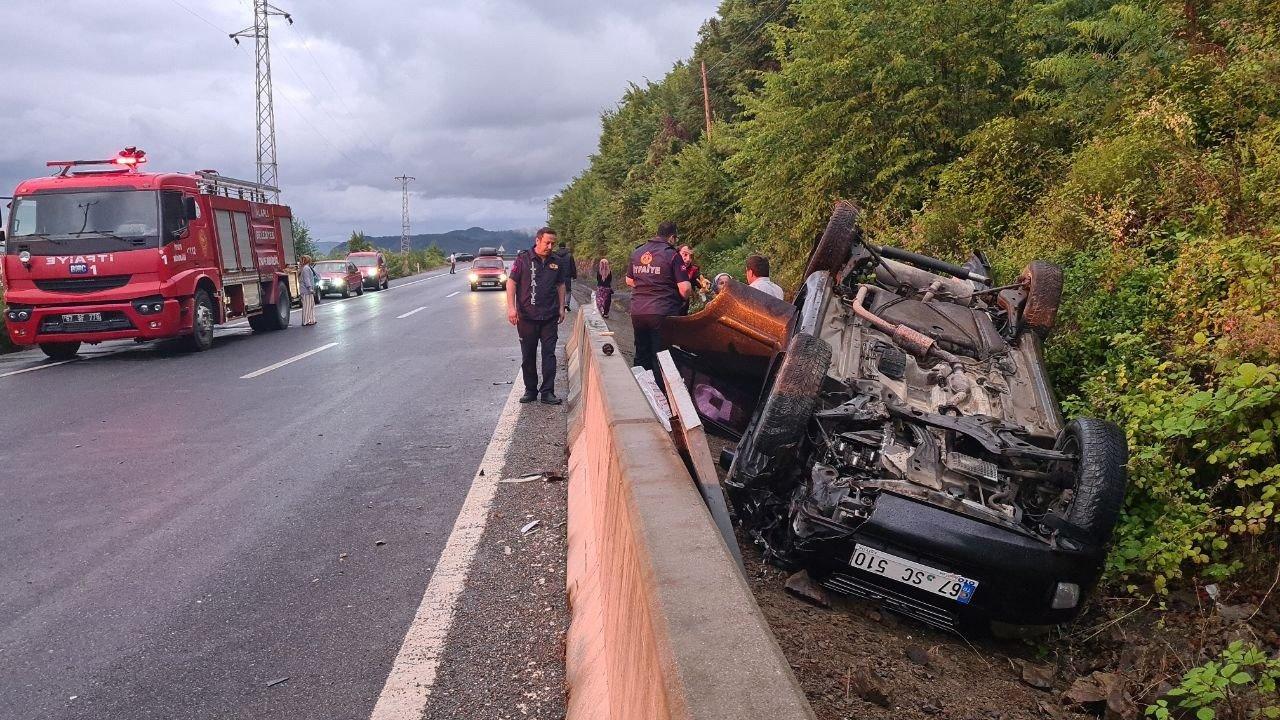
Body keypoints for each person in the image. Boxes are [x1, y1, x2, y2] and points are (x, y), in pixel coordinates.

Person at [506, 227, 568, 405]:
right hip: (526, 316)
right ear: (538, 240)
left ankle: (547, 392)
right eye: (547, 243)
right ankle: (530, 390)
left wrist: (562, 307)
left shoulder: (556, 261)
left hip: (549, 316)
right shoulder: (523, 259)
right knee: (528, 355)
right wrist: (511, 308)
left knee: (549, 354)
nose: (550, 246)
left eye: (553, 243)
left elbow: (560, 285)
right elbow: (511, 283)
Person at [626, 220, 690, 371]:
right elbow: (685, 288)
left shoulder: (638, 252)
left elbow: (629, 280)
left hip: (638, 311)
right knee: (661, 358)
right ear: (672, 237)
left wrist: (646, 286)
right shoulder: (672, 255)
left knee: (641, 354)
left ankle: (640, 384)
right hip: (662, 312)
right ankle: (659, 385)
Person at [678, 245, 701, 315]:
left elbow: (699, 282)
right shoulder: (667, 267)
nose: (688, 259)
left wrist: (704, 285)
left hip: (683, 310)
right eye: (685, 255)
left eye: (691, 256)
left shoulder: (693, 270)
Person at [556, 241, 577, 312]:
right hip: (567, 276)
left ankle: (560, 304)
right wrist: (574, 276)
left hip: (557, 276)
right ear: (565, 246)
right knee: (568, 290)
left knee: (558, 290)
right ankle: (567, 304)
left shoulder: (555, 255)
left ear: (559, 246)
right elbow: (573, 266)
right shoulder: (569, 255)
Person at [299, 255, 318, 326]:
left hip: (306, 290)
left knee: (311, 305)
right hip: (306, 290)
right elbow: (307, 279)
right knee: (307, 306)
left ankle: (312, 319)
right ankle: (305, 321)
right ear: (308, 260)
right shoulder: (306, 268)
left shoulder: (305, 268)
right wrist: (310, 288)